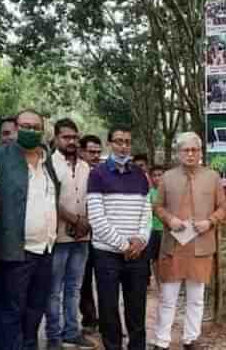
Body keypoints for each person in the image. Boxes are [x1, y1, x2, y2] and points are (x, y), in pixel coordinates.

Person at [0, 109, 60, 350]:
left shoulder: (47, 160)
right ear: (16, 128)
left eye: (36, 127)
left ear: (42, 131)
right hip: (14, 252)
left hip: (45, 251)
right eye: (25, 126)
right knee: (10, 314)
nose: (31, 131)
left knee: (34, 312)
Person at [152, 132, 226, 350]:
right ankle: (161, 340)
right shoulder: (167, 177)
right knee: (168, 297)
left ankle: (191, 339)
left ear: (200, 152)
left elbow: (223, 207)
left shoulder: (212, 177)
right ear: (178, 153)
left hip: (201, 245)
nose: (190, 154)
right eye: (186, 150)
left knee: (196, 298)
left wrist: (210, 221)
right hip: (174, 246)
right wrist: (169, 219)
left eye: (194, 150)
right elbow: (157, 207)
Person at [87, 125, 151, 350]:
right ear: (110, 144)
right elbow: (96, 218)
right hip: (107, 254)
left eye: (127, 142)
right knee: (108, 308)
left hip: (137, 253)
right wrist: (124, 245)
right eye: (118, 141)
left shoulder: (140, 175)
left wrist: (141, 240)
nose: (123, 146)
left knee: (137, 308)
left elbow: (147, 212)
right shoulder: (97, 174)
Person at [46, 120, 96, 350]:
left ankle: (72, 332)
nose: (72, 142)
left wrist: (86, 224)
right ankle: (54, 336)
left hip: (82, 237)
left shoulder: (86, 167)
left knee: (74, 288)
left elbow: (92, 200)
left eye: (75, 137)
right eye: (66, 137)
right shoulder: (48, 165)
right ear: (56, 139)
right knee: (54, 289)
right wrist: (75, 221)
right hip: (57, 237)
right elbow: (49, 200)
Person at [77, 135, 102, 333]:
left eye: (98, 152)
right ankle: (89, 319)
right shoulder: (76, 172)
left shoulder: (104, 173)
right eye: (91, 152)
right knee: (83, 279)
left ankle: (108, 320)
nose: (95, 156)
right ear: (81, 151)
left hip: (103, 235)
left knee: (105, 279)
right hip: (80, 234)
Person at [146, 165, 165, 290]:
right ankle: (159, 285)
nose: (157, 178)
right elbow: (149, 210)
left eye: (160, 175)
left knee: (167, 258)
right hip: (153, 229)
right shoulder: (149, 193)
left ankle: (167, 283)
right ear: (151, 178)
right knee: (155, 259)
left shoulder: (170, 191)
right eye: (155, 175)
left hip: (167, 230)